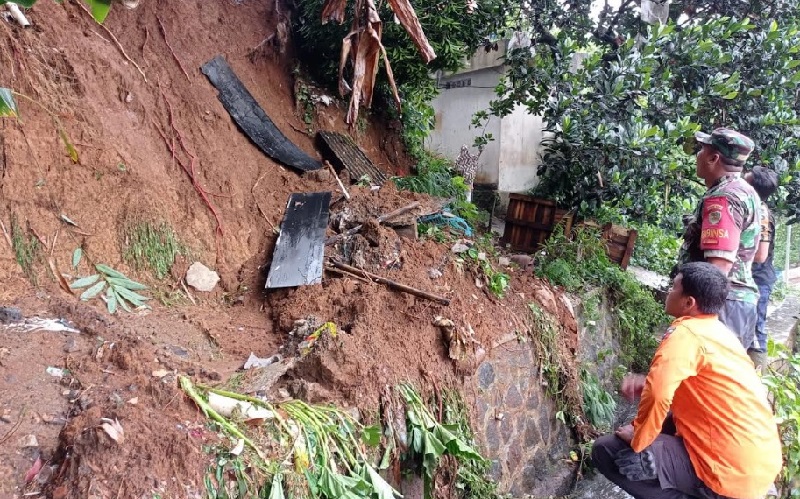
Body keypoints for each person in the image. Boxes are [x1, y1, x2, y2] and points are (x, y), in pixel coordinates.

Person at [592, 262, 782, 499]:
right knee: (665, 423)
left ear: (688, 303)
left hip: (730, 475)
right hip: (760, 465)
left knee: (608, 450)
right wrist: (649, 385)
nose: (668, 292)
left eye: (673, 288)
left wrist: (639, 438)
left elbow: (658, 394)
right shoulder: (720, 333)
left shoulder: (684, 334)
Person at [677, 128, 761, 349]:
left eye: (702, 150)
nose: (698, 155)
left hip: (721, 306)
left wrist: (696, 318)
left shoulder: (723, 198)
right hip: (735, 304)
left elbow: (718, 267)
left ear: (713, 158)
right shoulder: (745, 191)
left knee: (705, 378)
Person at [745, 166, 780, 369]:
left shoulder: (762, 213)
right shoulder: (753, 207)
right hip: (754, 278)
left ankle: (758, 381)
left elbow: (760, 255)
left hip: (757, 279)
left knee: (755, 333)